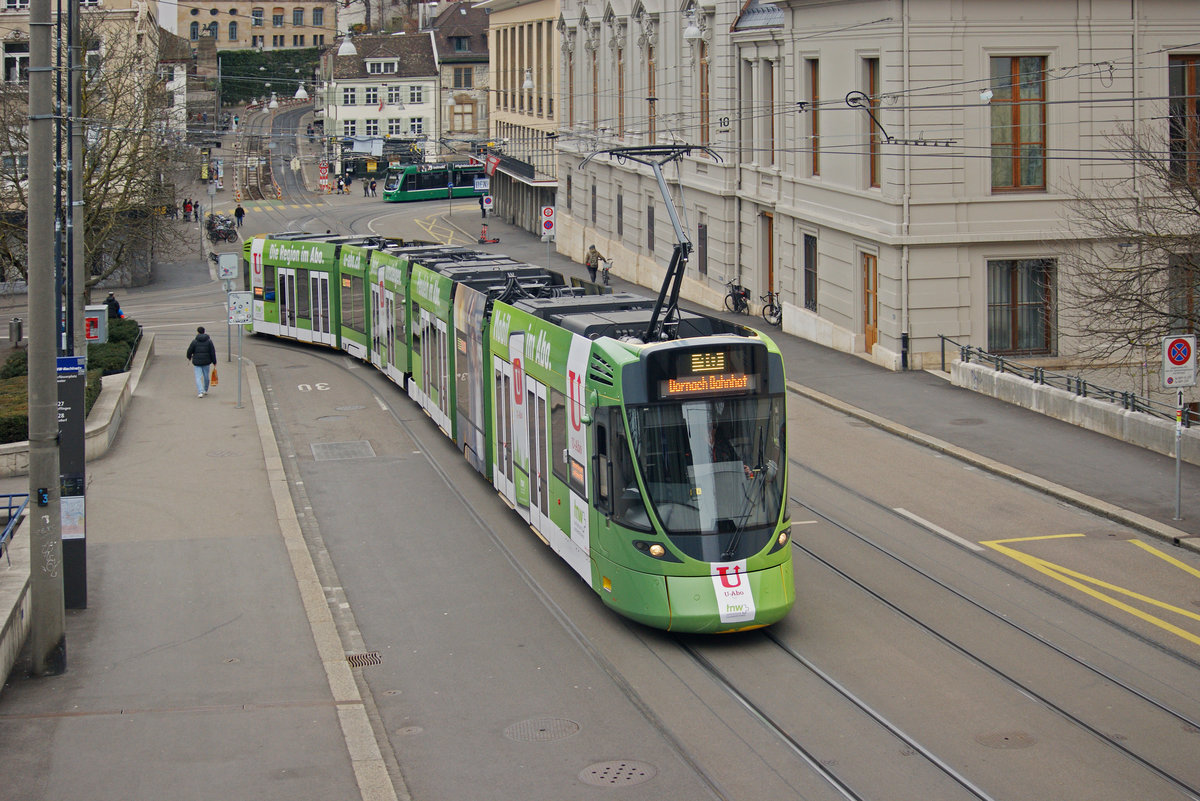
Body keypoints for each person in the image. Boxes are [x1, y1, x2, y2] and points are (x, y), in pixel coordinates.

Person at [186, 326, 217, 398]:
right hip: (206, 362)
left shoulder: (194, 341)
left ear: (198, 332)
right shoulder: (209, 341)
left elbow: (189, 350)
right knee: (206, 377)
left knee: (198, 377)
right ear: (204, 332)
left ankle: (200, 392)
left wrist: (189, 357)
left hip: (197, 362)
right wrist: (214, 361)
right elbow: (212, 352)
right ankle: (205, 389)